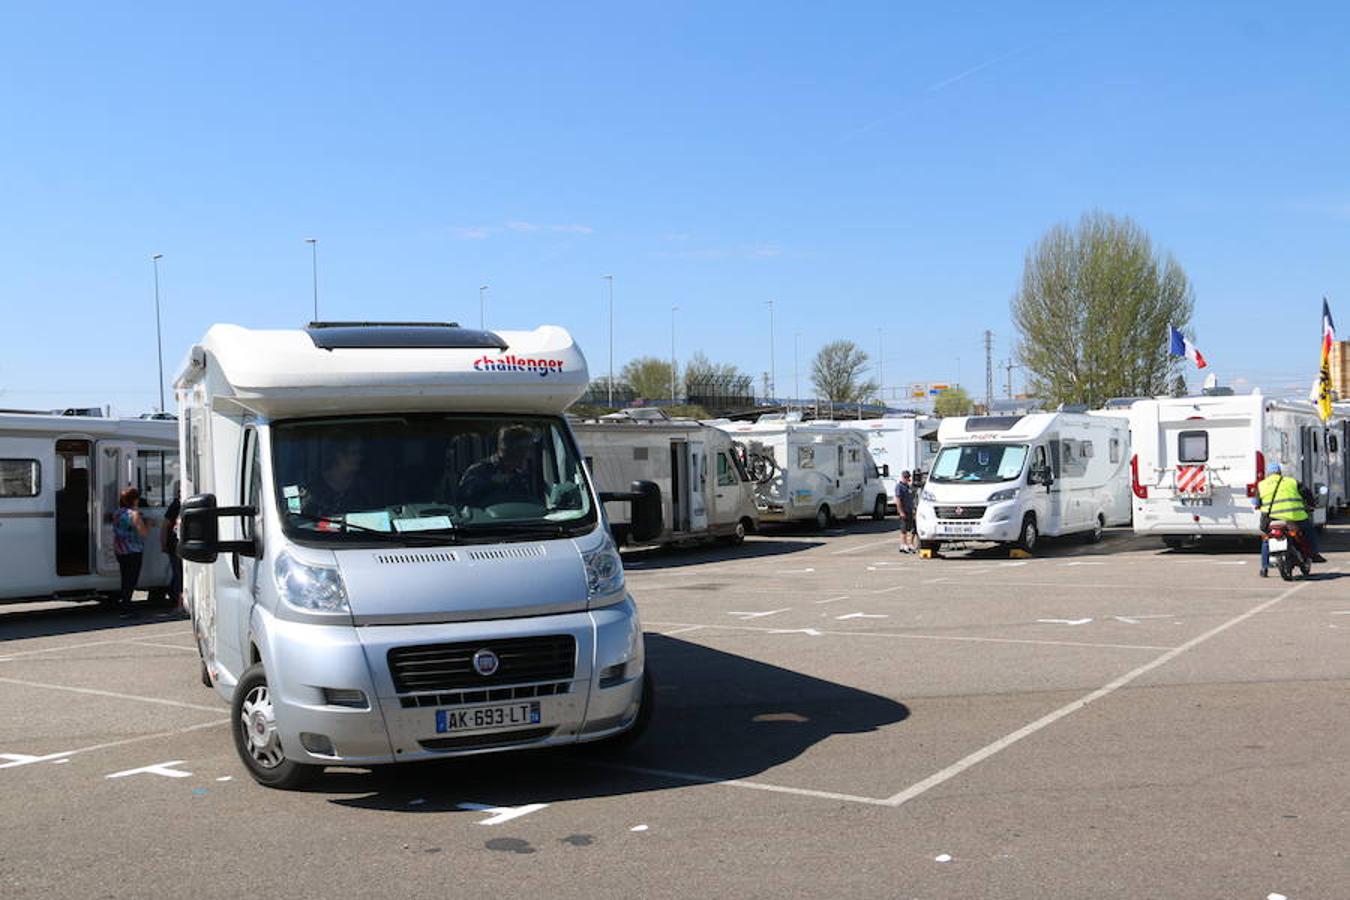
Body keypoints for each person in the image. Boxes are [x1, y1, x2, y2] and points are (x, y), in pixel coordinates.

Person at [1253, 461, 1325, 577]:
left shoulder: (1261, 485)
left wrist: (1259, 505)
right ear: (1280, 473)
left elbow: (1256, 503)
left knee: (1267, 540)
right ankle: (1314, 553)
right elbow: (1307, 494)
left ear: (1268, 473)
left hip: (1271, 519)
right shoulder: (1292, 482)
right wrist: (1311, 505)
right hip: (1295, 518)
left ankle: (1264, 568)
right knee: (1310, 531)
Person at [458, 425, 537, 506]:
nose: (528, 455)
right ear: (510, 449)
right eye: (525, 449)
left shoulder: (520, 476)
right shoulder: (479, 470)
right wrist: (490, 483)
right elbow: (464, 495)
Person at [302, 439, 371, 518]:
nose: (359, 457)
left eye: (360, 453)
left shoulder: (363, 485)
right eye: (354, 453)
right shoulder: (315, 486)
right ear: (339, 456)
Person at [113, 486, 152, 616]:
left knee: (125, 578)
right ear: (134, 500)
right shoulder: (134, 514)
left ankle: (124, 604)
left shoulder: (117, 513)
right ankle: (126, 608)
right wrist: (149, 524)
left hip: (120, 550)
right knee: (132, 580)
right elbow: (144, 532)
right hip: (133, 550)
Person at [161, 483, 183, 610]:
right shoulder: (175, 506)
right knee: (179, 574)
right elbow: (165, 526)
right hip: (175, 545)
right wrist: (163, 543)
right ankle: (177, 600)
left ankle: (174, 595)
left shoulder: (178, 505)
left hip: (176, 545)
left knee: (178, 573)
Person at [894, 470, 917, 554]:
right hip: (904, 510)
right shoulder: (899, 486)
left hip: (910, 510)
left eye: (908, 477)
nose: (907, 479)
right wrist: (901, 511)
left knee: (912, 528)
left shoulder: (908, 487)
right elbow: (898, 500)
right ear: (902, 477)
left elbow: (912, 499)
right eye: (906, 477)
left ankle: (910, 543)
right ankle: (903, 544)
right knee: (903, 529)